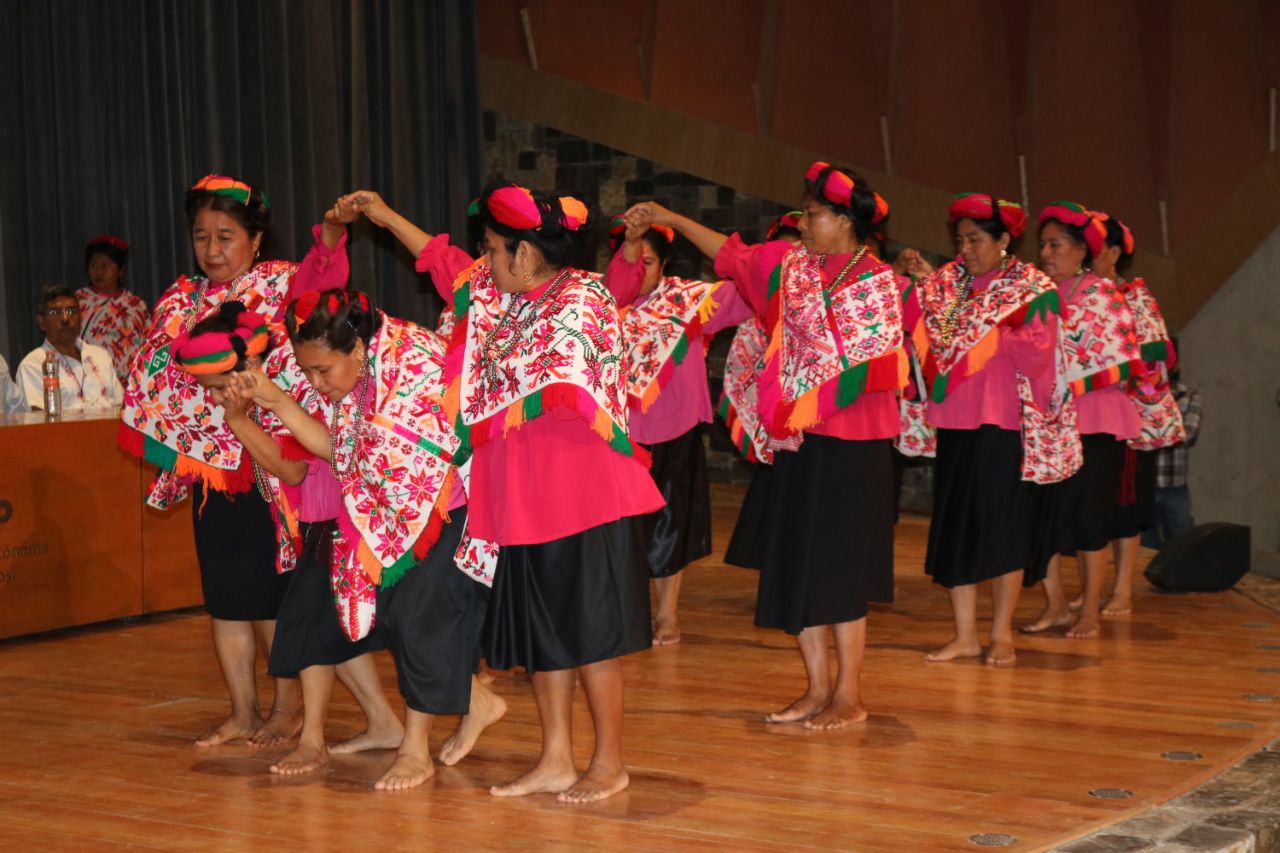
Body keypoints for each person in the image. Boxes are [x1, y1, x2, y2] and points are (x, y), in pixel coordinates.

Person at [344, 183, 663, 803]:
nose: (482, 262)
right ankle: (556, 758)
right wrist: (383, 216)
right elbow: (442, 263)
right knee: (546, 638)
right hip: (522, 498)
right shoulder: (497, 298)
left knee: (593, 637)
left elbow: (569, 380)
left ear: (524, 254)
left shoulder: (582, 299)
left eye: (491, 250)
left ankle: (610, 762)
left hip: (583, 495)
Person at [628, 161, 906, 731]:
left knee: (840, 571)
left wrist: (811, 402)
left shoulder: (875, 283)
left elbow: (875, 366)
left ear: (846, 222)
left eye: (816, 214)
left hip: (852, 446)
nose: (804, 222)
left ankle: (849, 696)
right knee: (796, 566)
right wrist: (667, 216)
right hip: (797, 441)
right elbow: (732, 254)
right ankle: (816, 689)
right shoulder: (791, 267)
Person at [233, 287, 506, 790]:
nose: (316, 382)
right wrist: (273, 398)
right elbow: (340, 451)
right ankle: (475, 703)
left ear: (356, 349)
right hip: (395, 512)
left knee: (416, 613)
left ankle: (415, 749)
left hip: (448, 500)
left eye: (322, 371)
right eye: (307, 370)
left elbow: (414, 452)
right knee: (393, 613)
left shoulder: (412, 361)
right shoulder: (354, 376)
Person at [118, 174, 353, 747]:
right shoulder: (180, 297)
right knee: (226, 599)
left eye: (226, 236)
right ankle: (243, 709)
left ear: (255, 238)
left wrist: (328, 241)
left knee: (271, 597)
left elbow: (320, 288)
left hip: (271, 468)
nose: (213, 250)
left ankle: (285, 708)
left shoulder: (279, 285)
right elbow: (156, 365)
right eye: (202, 236)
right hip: (209, 471)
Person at [169, 301, 405, 776]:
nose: (216, 398)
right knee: (331, 627)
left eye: (219, 387)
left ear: (251, 366)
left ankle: (314, 739)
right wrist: (240, 418)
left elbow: (292, 469)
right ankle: (384, 722)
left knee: (314, 625)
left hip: (337, 513)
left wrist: (240, 421)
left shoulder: (293, 381)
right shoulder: (267, 385)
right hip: (317, 516)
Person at [898, 193, 1061, 667]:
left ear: (1005, 240)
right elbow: (925, 329)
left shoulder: (1029, 286)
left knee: (1003, 529)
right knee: (957, 530)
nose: (965, 248)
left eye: (975, 239)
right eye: (960, 239)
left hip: (1002, 421)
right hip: (954, 419)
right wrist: (918, 284)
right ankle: (965, 634)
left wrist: (987, 332)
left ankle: (1001, 634)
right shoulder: (948, 284)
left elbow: (1038, 353)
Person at [604, 213, 753, 645]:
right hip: (621, 433)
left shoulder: (689, 300)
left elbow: (750, 294)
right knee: (621, 525)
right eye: (633, 259)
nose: (639, 270)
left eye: (648, 261)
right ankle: (624, 607)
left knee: (673, 520)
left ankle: (667, 613)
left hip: (675, 427)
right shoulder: (607, 302)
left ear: (665, 264)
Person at [1022, 202, 1143, 640]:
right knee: (1042, 518)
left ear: (1080, 251)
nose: (1047, 253)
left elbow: (1118, 356)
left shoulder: (1101, 294)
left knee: (1090, 520)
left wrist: (1059, 375)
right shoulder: (1036, 293)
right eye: (1043, 245)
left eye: (1056, 245)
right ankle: (1055, 605)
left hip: (1095, 421)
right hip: (1048, 423)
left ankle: (1089, 608)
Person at [1089, 212, 1183, 616]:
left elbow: (1157, 359)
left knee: (1126, 508)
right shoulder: (1075, 292)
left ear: (1113, 253)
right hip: (1090, 417)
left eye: (1090, 249)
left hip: (1129, 421)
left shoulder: (1135, 296)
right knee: (1093, 509)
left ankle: (1122, 590)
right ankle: (1094, 589)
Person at [721, 211, 802, 569]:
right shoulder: (757, 320)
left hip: (811, 412)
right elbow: (742, 371)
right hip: (777, 416)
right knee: (777, 477)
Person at [17, 283, 123, 410]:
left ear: (80, 318)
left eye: (71, 311)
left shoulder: (100, 356)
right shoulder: (33, 365)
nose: (65, 318)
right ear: (42, 322)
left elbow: (121, 405)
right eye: (55, 312)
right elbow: (38, 420)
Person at [77, 235, 149, 381]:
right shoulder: (77, 302)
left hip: (130, 387)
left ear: (121, 270)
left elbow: (148, 348)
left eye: (105, 265)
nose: (99, 272)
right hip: (87, 384)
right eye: (93, 265)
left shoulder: (136, 306)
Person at [1147, 358, 1201, 546]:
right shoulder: (1141, 395)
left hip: (1174, 486)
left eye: (1165, 361)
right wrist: (1166, 433)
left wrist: (1150, 435)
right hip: (1145, 484)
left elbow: (1188, 434)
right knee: (1145, 550)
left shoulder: (1189, 396)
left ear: (1175, 365)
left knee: (1183, 545)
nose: (1159, 367)